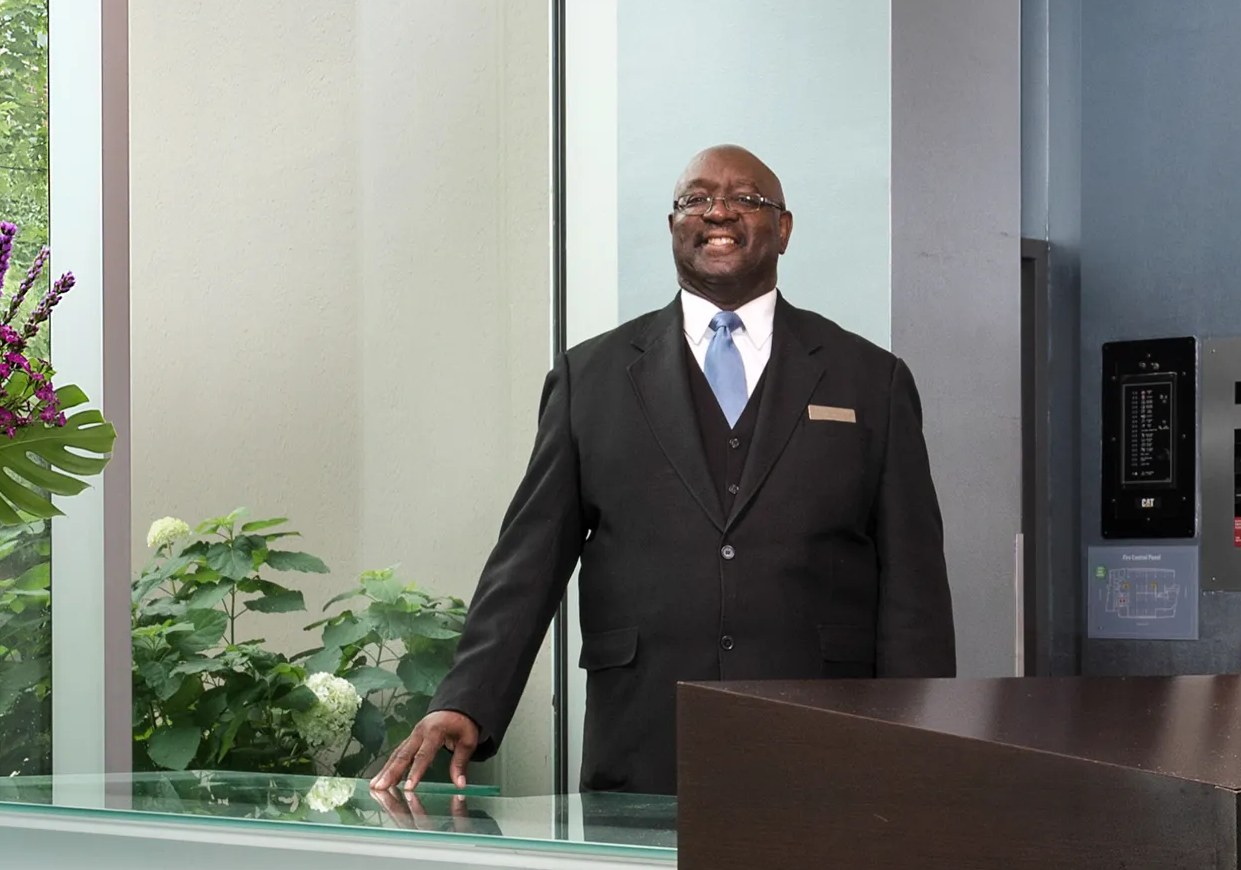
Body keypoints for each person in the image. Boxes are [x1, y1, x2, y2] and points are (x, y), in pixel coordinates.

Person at [374, 144, 956, 796]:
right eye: (697, 199)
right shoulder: (590, 378)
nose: (719, 212)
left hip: (826, 743)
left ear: (784, 228)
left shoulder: (870, 379)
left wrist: (921, 740)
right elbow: (528, 559)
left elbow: (915, 584)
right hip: (644, 737)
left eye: (747, 199)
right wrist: (469, 699)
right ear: (673, 225)